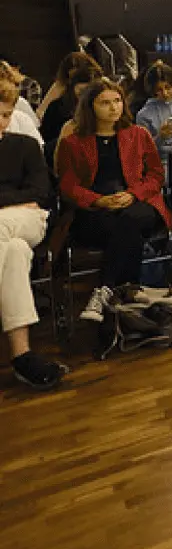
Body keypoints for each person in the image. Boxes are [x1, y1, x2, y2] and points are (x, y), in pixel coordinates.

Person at [59, 80, 172, 322]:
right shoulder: (73, 142)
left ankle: (104, 291)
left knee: (132, 218)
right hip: (96, 209)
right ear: (90, 107)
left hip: (139, 201)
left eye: (118, 101)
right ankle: (128, 289)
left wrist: (133, 194)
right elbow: (68, 185)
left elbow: (155, 175)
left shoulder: (138, 135)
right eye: (105, 103)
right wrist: (99, 200)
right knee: (124, 227)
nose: (114, 108)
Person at [0, 82, 66, 389]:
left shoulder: (24, 144)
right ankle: (21, 354)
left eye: (5, 115)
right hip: (13, 229)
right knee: (13, 251)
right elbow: (27, 192)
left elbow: (41, 192)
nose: (2, 122)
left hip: (31, 218)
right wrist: (14, 197)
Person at [41, 63, 102, 169]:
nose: (85, 96)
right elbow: (45, 138)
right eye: (82, 91)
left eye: (91, 92)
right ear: (72, 88)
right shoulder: (57, 107)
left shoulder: (103, 108)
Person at [135, 63, 172, 169]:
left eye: (168, 87)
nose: (165, 93)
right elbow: (143, 151)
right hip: (163, 162)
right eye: (159, 90)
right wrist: (160, 137)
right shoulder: (144, 114)